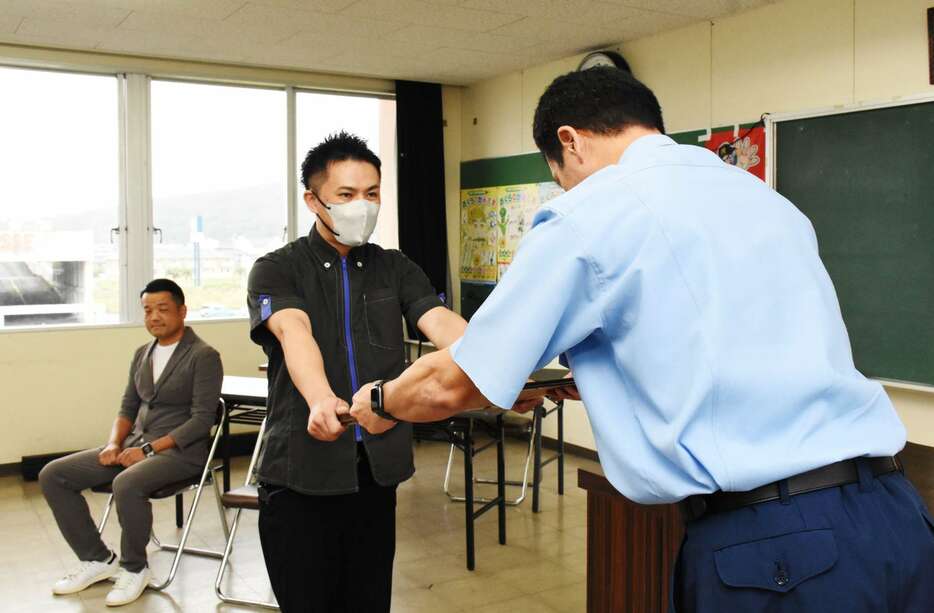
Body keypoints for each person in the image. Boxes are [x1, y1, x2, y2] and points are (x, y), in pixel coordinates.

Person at [349, 67, 934, 612]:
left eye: (559, 174)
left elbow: (457, 382)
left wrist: (380, 402)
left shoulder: (589, 214)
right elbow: (729, 337)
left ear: (570, 142)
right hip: (894, 516)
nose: (565, 185)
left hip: (778, 548)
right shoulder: (765, 199)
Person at [246, 131, 467, 613]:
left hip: (374, 472)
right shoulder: (277, 269)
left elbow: (440, 322)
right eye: (346, 195)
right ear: (314, 199)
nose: (360, 206)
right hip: (300, 473)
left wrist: (500, 368)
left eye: (371, 194)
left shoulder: (395, 267)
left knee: (367, 602)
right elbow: (294, 334)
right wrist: (322, 398)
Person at [39, 279, 223, 607]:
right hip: (135, 445)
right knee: (53, 474)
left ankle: (135, 568)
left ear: (182, 311)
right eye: (148, 310)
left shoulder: (204, 355)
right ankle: (97, 559)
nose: (154, 316)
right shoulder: (142, 353)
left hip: (180, 453)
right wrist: (113, 444)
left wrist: (149, 450)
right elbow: (128, 407)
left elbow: (201, 420)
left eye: (163, 309)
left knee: (126, 483)